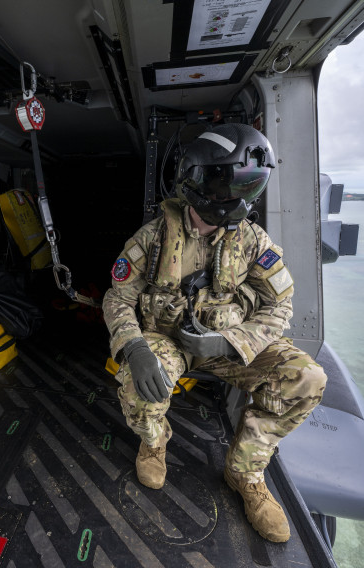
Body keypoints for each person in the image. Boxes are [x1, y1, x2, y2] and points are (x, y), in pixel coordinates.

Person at [102, 123, 327, 543]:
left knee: (307, 378)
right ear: (199, 183)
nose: (236, 199)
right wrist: (133, 347)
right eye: (227, 187)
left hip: (230, 344)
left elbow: (281, 303)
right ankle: (154, 442)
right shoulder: (152, 238)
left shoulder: (251, 239)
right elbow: (117, 298)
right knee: (138, 382)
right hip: (169, 340)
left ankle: (245, 472)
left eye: (246, 188)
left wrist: (232, 340)